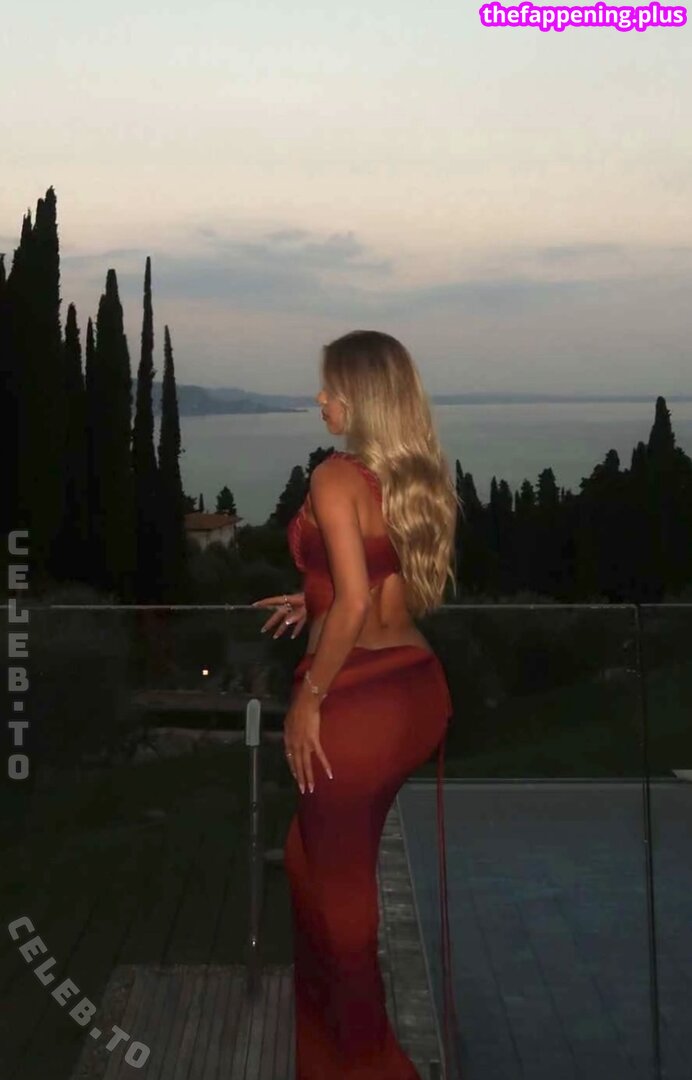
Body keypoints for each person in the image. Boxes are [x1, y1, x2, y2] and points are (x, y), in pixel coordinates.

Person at [252, 330, 464, 1079]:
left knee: (339, 894)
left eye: (330, 386)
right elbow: (369, 581)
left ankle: (372, 1064)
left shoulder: (335, 476)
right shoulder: (409, 474)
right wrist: (309, 598)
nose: (320, 398)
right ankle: (327, 1054)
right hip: (416, 688)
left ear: (363, 396)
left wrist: (309, 697)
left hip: (357, 698)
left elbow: (350, 604)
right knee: (306, 861)